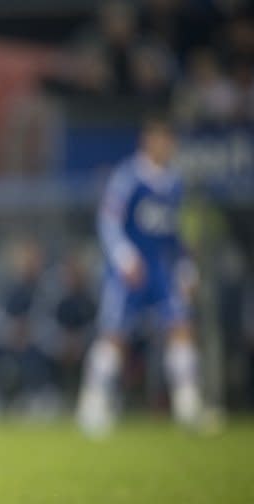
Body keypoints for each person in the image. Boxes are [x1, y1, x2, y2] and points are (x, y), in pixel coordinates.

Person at [76, 115, 202, 437]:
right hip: (131, 269)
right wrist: (124, 257)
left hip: (163, 268)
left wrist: (186, 269)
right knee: (114, 334)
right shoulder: (128, 177)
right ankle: (93, 404)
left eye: (169, 140)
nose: (166, 146)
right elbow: (109, 221)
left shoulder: (174, 183)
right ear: (148, 141)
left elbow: (176, 233)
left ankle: (188, 406)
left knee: (180, 327)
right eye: (160, 139)